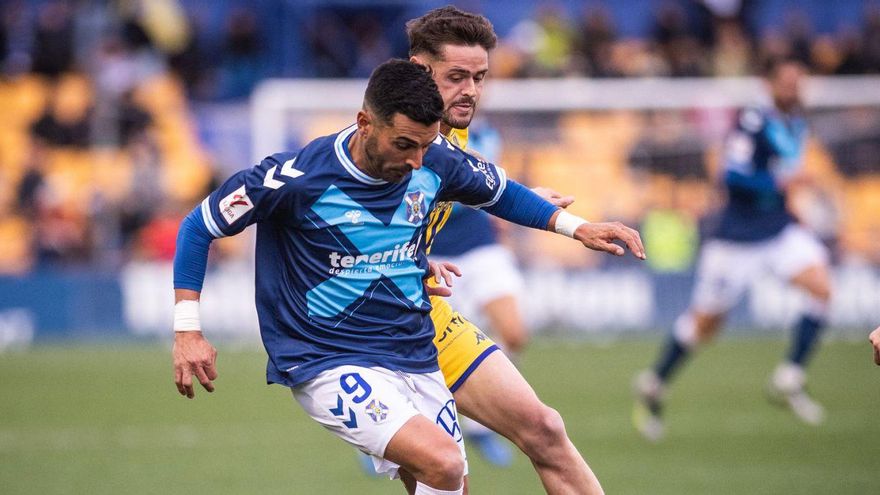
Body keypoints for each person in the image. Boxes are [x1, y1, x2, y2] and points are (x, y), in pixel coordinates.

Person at [172, 59, 644, 494]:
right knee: (444, 463)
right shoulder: (293, 179)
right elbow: (200, 225)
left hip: (415, 352)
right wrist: (188, 330)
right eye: (404, 145)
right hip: (329, 359)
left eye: (425, 145)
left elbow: (500, 193)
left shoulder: (432, 157)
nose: (418, 160)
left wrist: (578, 228)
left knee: (445, 480)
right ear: (364, 123)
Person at [404, 7, 619, 493]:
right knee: (442, 473)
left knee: (545, 430)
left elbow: (476, 176)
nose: (472, 91)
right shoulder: (387, 142)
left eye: (479, 77)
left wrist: (556, 216)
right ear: (420, 71)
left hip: (425, 312)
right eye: (457, 77)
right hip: (370, 330)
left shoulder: (451, 132)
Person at [633, 57, 833, 441]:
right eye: (787, 82)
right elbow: (733, 176)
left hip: (778, 231)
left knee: (822, 288)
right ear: (769, 83)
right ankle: (655, 382)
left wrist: (790, 204)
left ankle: (789, 378)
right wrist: (780, 184)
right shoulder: (753, 121)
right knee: (706, 324)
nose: (794, 89)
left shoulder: (796, 122)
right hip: (737, 238)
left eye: (798, 82)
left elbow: (784, 178)